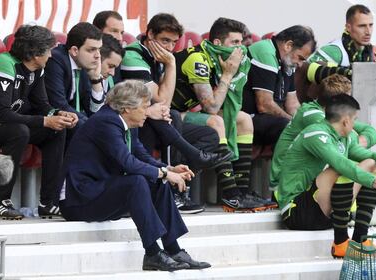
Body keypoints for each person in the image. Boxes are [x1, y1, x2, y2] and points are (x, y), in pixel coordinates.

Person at [59, 80, 211, 271]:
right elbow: (127, 162)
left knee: (157, 182)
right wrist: (164, 173)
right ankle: (153, 253)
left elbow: (142, 156)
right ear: (127, 108)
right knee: (137, 181)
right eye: (144, 107)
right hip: (78, 201)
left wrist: (169, 169)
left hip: (99, 192)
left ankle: (174, 249)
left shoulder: (127, 122)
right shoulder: (106, 121)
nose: (147, 112)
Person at [121, 13, 230, 214]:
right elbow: (164, 100)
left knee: (209, 135)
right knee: (172, 116)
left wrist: (168, 63)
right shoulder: (133, 55)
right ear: (150, 34)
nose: (169, 47)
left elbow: (162, 103)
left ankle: (181, 185)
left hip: (154, 119)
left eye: (173, 42)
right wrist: (171, 63)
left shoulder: (159, 57)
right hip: (132, 123)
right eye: (164, 40)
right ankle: (171, 192)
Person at [278, 94, 376, 258]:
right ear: (346, 120)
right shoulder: (315, 134)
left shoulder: (345, 138)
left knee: (370, 164)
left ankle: (360, 240)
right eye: (355, 118)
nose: (356, 123)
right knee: (340, 169)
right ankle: (341, 242)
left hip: (320, 211)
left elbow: (366, 155)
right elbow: (342, 164)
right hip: (296, 211)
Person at [172, 17, 273, 212]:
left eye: (242, 43)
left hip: (184, 113)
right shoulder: (199, 59)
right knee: (216, 120)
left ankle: (242, 191)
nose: (240, 49)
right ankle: (230, 195)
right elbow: (211, 107)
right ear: (217, 43)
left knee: (243, 119)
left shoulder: (216, 57)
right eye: (235, 43)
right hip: (171, 115)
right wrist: (227, 75)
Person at [0, 25, 78, 219]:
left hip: (13, 125)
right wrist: (45, 121)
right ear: (34, 53)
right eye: (48, 50)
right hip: (4, 123)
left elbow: (42, 104)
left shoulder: (37, 69)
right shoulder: (5, 62)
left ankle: (48, 202)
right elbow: (2, 114)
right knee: (20, 131)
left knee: (57, 130)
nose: (51, 55)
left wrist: (59, 114)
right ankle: (1, 200)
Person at [270, 74, 376, 192]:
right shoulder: (311, 114)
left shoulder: (334, 116)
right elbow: (348, 138)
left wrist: (358, 141)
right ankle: (345, 209)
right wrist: (351, 141)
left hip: (306, 179)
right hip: (284, 182)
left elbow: (372, 132)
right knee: (342, 168)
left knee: (370, 165)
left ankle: (352, 209)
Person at [242, 25, 316, 149]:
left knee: (313, 128)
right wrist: (295, 123)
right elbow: (264, 105)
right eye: (300, 58)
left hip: (262, 119)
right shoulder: (266, 51)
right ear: (288, 45)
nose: (300, 64)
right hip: (245, 118)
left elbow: (292, 105)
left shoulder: (288, 62)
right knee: (288, 126)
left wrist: (310, 121)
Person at [44, 22, 103, 132]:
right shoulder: (55, 60)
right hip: (47, 119)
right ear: (75, 50)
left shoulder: (84, 64)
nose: (98, 56)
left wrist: (96, 80)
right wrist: (93, 125)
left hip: (70, 120)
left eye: (99, 49)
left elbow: (94, 112)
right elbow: (58, 103)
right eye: (91, 50)